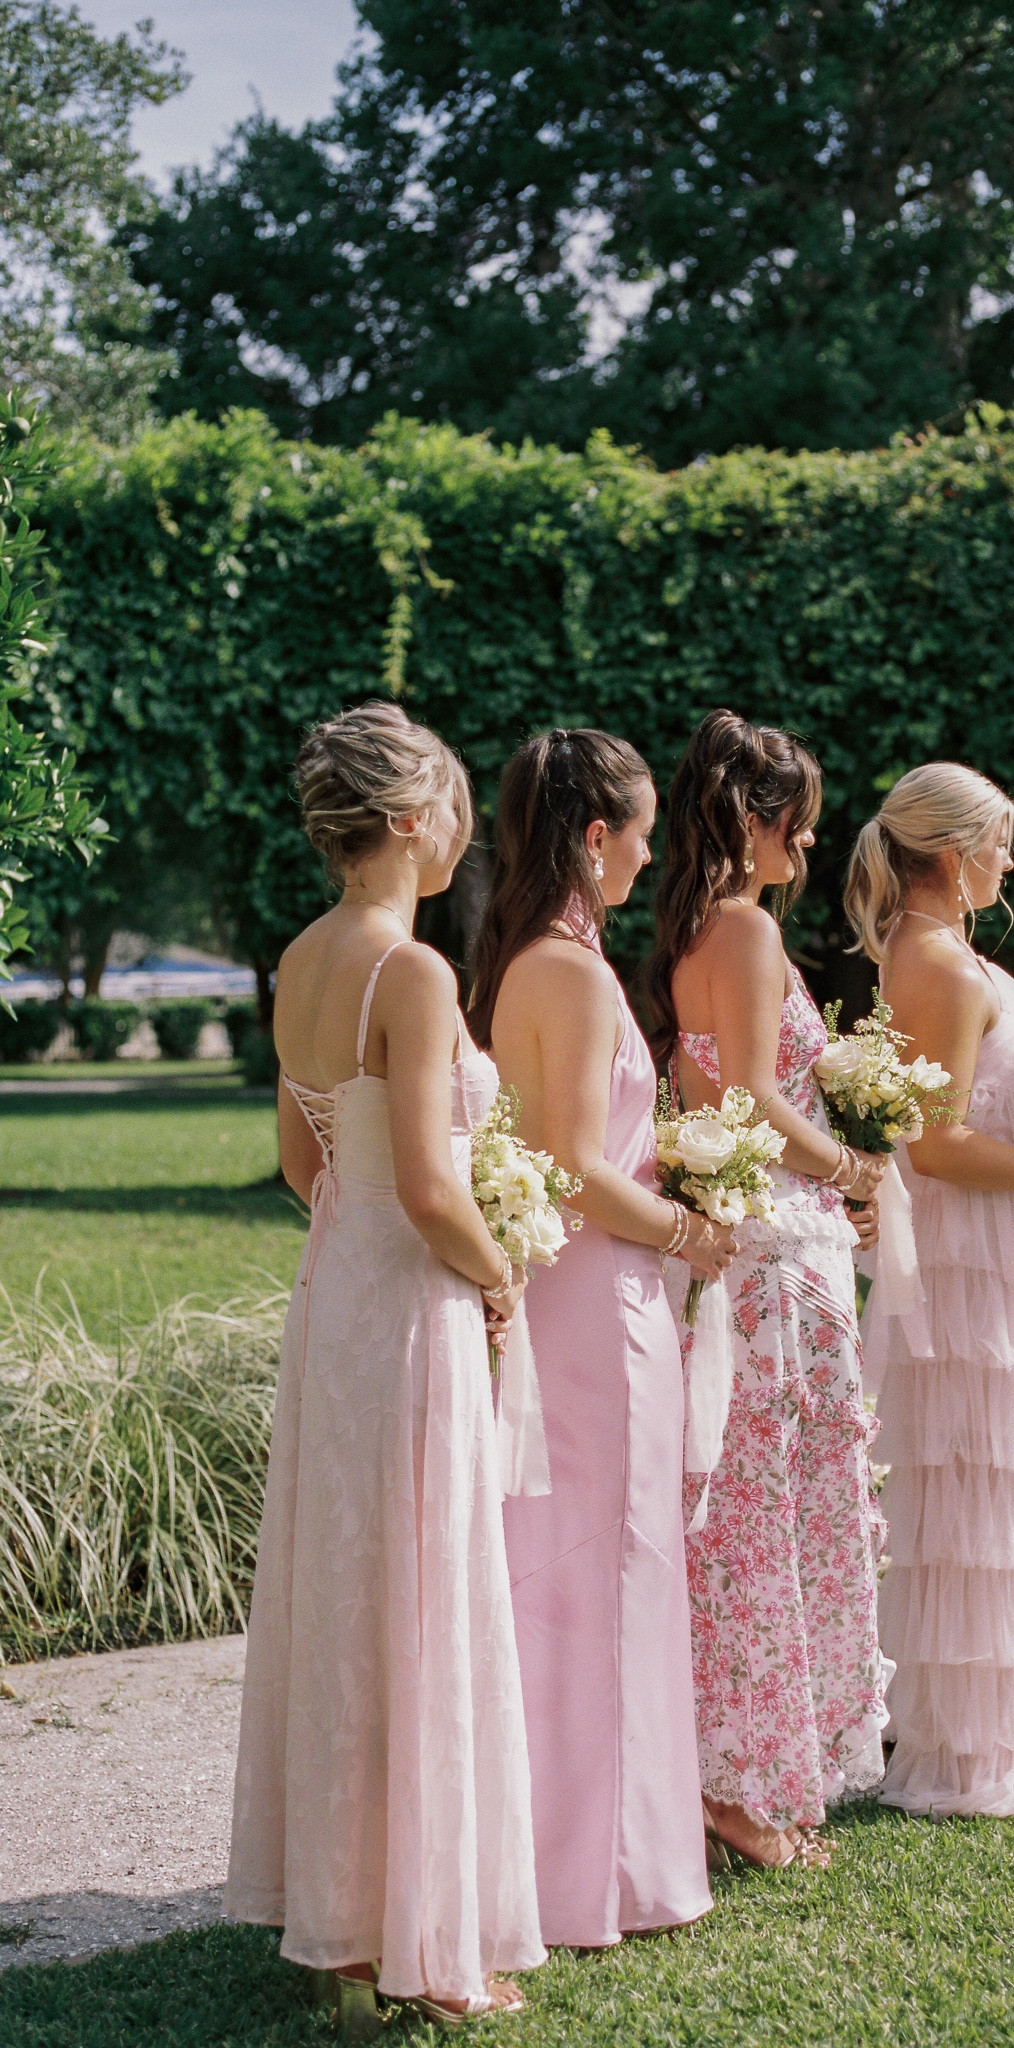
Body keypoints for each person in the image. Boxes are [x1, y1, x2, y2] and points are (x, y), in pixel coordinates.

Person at [224, 702, 544, 2029]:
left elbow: (311, 1166)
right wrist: (500, 1269)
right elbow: (426, 1182)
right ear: (411, 823)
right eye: (453, 811)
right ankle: (427, 1948)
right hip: (406, 1302)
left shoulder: (302, 958)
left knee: (346, 1590)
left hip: (334, 1301)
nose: (462, 834)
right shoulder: (407, 974)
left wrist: (393, 1233)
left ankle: (345, 1920)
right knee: (423, 1591)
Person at [469, 728, 736, 1949]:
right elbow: (576, 1168)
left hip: (574, 1295)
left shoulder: (524, 959)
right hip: (598, 1301)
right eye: (638, 831)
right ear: (593, 838)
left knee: (568, 1575)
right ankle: (608, 1875)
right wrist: (689, 1229)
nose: (650, 852)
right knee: (609, 1572)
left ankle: (557, 1857)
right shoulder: (567, 974)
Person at [846, 762, 1014, 1819]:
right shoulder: (942, 968)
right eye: (999, 842)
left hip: (1002, 1253)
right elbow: (940, 1145)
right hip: (975, 1267)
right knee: (982, 1501)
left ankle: (1009, 1734)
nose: (1010, 859)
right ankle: (975, 1755)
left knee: (1011, 1496)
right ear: (955, 852)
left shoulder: (943, 954)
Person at [644, 709, 890, 1871]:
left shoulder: (697, 928)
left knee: (755, 1508)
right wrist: (849, 1164)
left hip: (765, 1241)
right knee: (761, 1513)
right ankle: (736, 1785)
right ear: (751, 818)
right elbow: (746, 1094)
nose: (810, 840)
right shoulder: (740, 932)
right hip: (776, 1255)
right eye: (797, 820)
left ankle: (744, 1771)